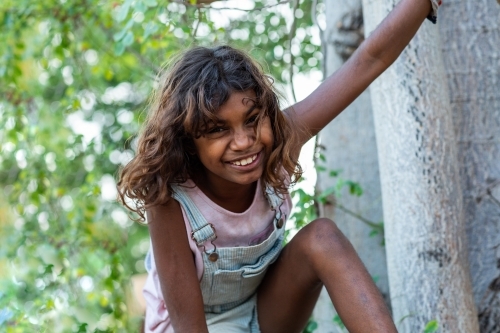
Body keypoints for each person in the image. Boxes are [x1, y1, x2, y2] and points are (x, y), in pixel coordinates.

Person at [117, 0, 440, 331]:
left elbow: (368, 61)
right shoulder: (169, 200)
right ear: (187, 140)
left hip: (262, 310)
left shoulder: (281, 143)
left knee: (322, 236)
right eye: (217, 129)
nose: (244, 141)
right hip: (193, 325)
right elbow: (189, 326)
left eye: (253, 119)